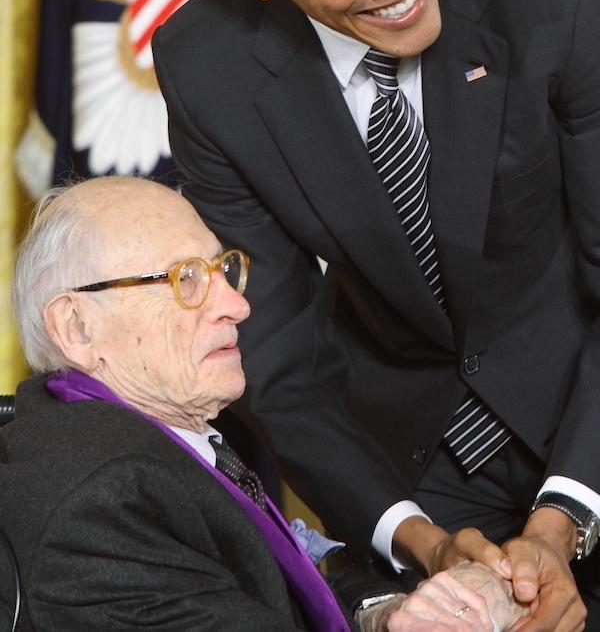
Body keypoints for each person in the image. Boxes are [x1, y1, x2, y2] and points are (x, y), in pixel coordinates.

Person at [152, 0, 600, 632]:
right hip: (408, 459)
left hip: (588, 405)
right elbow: (277, 347)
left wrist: (563, 515)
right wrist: (420, 539)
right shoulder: (207, 65)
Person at [2, 176, 525, 631]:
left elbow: (272, 595)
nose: (237, 305)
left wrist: (391, 614)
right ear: (76, 327)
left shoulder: (129, 441)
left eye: (221, 270)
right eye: (185, 280)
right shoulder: (101, 496)